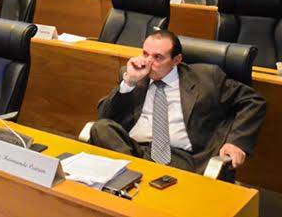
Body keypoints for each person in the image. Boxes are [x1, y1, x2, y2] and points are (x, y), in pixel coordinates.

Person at [89, 30, 266, 174]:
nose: (148, 62)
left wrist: (236, 143)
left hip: (179, 156)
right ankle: (136, 174)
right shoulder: (133, 75)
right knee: (100, 127)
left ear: (176, 60)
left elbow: (253, 101)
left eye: (158, 57)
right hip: (133, 149)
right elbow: (104, 116)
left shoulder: (206, 77)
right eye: (145, 53)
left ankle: (132, 176)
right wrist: (128, 83)